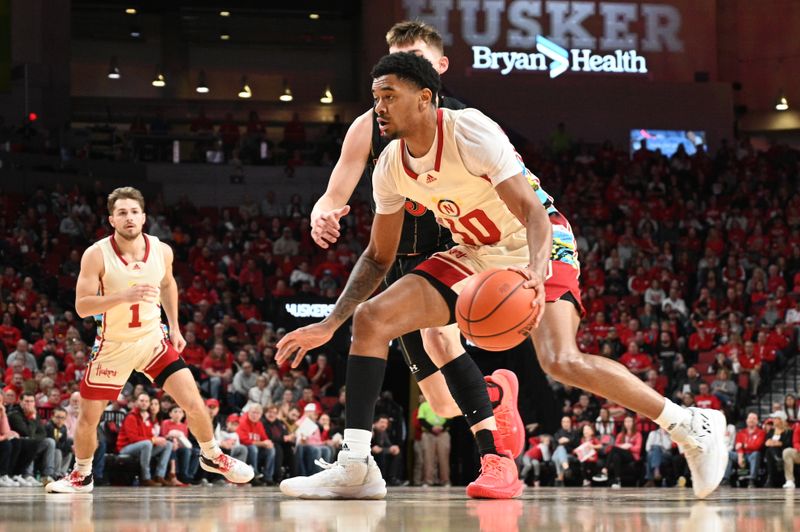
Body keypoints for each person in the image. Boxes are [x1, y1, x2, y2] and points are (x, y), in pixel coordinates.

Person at [276, 53, 726, 499]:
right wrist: (330, 323)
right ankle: (356, 464)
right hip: (475, 250)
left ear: (425, 98)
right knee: (371, 319)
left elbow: (533, 212)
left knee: (560, 360)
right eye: (376, 97)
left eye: (390, 96)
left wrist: (533, 271)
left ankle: (689, 425)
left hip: (537, 238)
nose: (379, 107)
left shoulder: (470, 131)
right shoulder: (391, 165)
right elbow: (378, 257)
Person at [306, 20, 524, 460]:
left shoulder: (466, 123)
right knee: (442, 403)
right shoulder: (369, 127)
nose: (404, 70)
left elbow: (517, 192)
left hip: (452, 250)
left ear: (438, 69)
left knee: (439, 341)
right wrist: (322, 214)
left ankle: (494, 459)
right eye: (396, 60)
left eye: (416, 61)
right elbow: (334, 192)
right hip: (399, 259)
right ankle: (496, 393)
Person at [46, 187, 253, 493]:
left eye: (133, 212)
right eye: (121, 213)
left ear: (143, 216)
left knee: (194, 401)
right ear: (111, 220)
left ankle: (212, 455)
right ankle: (82, 474)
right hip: (113, 347)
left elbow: (168, 285)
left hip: (152, 341)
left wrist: (175, 327)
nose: (128, 218)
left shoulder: (161, 250)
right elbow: (82, 306)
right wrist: (121, 296)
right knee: (90, 418)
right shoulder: (96, 254)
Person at [728, 412, 765, 487]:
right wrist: (740, 457)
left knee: (756, 454)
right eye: (750, 418)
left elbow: (756, 446)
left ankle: (752, 479)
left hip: (752, 455)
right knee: (728, 454)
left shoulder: (761, 432)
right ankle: (725, 479)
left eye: (754, 418)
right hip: (742, 454)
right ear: (746, 420)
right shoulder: (741, 432)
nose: (751, 420)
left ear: (757, 421)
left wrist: (743, 445)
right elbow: (738, 447)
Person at [371, 415, 402, 486]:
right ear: (375, 423)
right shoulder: (371, 431)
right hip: (368, 453)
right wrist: (387, 449)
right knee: (381, 454)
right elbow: (374, 449)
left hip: (379, 451)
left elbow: (388, 445)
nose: (384, 425)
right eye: (382, 422)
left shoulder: (383, 432)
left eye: (386, 423)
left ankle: (392, 478)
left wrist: (393, 448)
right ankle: (380, 479)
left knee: (396, 453)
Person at [764, 411, 793, 487]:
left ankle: (770, 478)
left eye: (775, 418)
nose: (773, 420)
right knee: (769, 451)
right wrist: (776, 443)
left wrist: (776, 443)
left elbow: (788, 444)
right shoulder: (771, 431)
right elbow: (767, 442)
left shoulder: (788, 431)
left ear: (781, 420)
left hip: (783, 452)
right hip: (771, 453)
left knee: (770, 450)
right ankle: (777, 460)